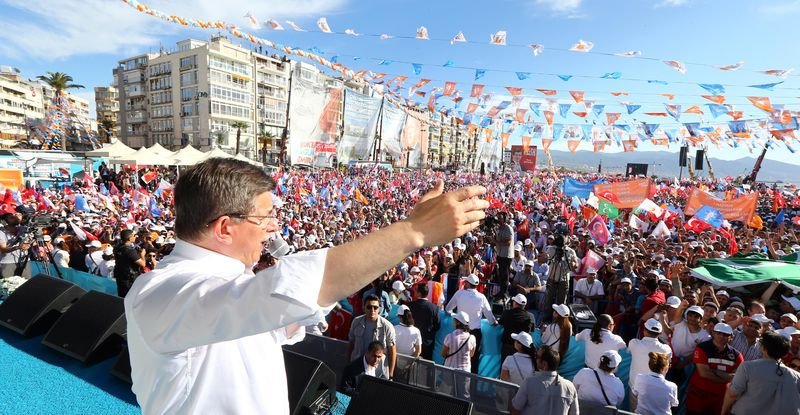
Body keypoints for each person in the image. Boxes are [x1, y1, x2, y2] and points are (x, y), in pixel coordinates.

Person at [124, 158, 489, 414]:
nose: (273, 227)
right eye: (265, 217)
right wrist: (414, 232)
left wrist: (404, 231)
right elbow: (287, 290)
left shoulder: (231, 284)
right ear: (224, 228)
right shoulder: (162, 293)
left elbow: (287, 317)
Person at [722, 331, 800, 415]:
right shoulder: (797, 376)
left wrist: (724, 411)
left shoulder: (748, 367)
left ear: (763, 348)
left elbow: (732, 393)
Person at [445, 273, 498, 373]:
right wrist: (494, 323)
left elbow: (448, 309)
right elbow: (489, 315)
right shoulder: (481, 297)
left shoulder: (459, 294)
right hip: (474, 333)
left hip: (459, 330)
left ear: (468, 283)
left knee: (454, 355)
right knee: (473, 359)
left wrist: (454, 315)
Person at [686, 322, 743, 415]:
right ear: (713, 333)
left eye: (725, 335)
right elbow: (704, 373)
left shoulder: (736, 355)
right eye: (718, 333)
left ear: (731, 337)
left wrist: (713, 371)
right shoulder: (702, 348)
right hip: (699, 395)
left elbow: (737, 377)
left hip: (720, 398)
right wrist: (725, 379)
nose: (721, 336)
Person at [511, 346, 579, 415]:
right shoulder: (570, 387)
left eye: (537, 356)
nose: (535, 358)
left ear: (544, 364)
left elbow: (515, 409)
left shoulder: (529, 383)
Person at [347, 294, 397, 379]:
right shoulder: (356, 322)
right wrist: (349, 363)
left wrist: (391, 375)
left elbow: (392, 351)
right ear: (363, 308)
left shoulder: (387, 326)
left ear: (379, 309)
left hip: (378, 370)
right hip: (357, 367)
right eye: (369, 307)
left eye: (375, 307)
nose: (372, 310)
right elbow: (351, 343)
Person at [628, 318, 672, 411]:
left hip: (636, 388)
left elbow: (628, 352)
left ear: (644, 330)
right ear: (660, 334)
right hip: (656, 391)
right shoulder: (666, 349)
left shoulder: (634, 343)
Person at [545, 233, 578, 312]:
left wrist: (573, 264)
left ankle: (560, 315)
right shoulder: (551, 249)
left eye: (564, 237)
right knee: (549, 298)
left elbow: (576, 264)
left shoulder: (571, 251)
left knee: (562, 300)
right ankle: (548, 314)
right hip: (552, 277)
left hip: (564, 278)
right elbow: (545, 258)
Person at [407, 283, 440, 360]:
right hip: (427, 343)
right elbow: (437, 326)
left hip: (411, 341)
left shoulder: (409, 306)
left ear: (419, 293)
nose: (414, 292)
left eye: (416, 290)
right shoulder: (434, 308)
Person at [500, 294, 534, 363]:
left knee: (505, 366)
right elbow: (532, 330)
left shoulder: (507, 313)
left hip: (508, 346)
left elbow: (500, 324)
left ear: (515, 303)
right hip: (523, 349)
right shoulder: (531, 316)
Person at [114, 229, 145, 297]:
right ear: (129, 238)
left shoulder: (116, 247)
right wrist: (142, 255)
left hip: (119, 275)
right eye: (133, 236)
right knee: (130, 296)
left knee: (121, 295)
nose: (135, 237)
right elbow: (143, 264)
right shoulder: (130, 251)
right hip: (129, 278)